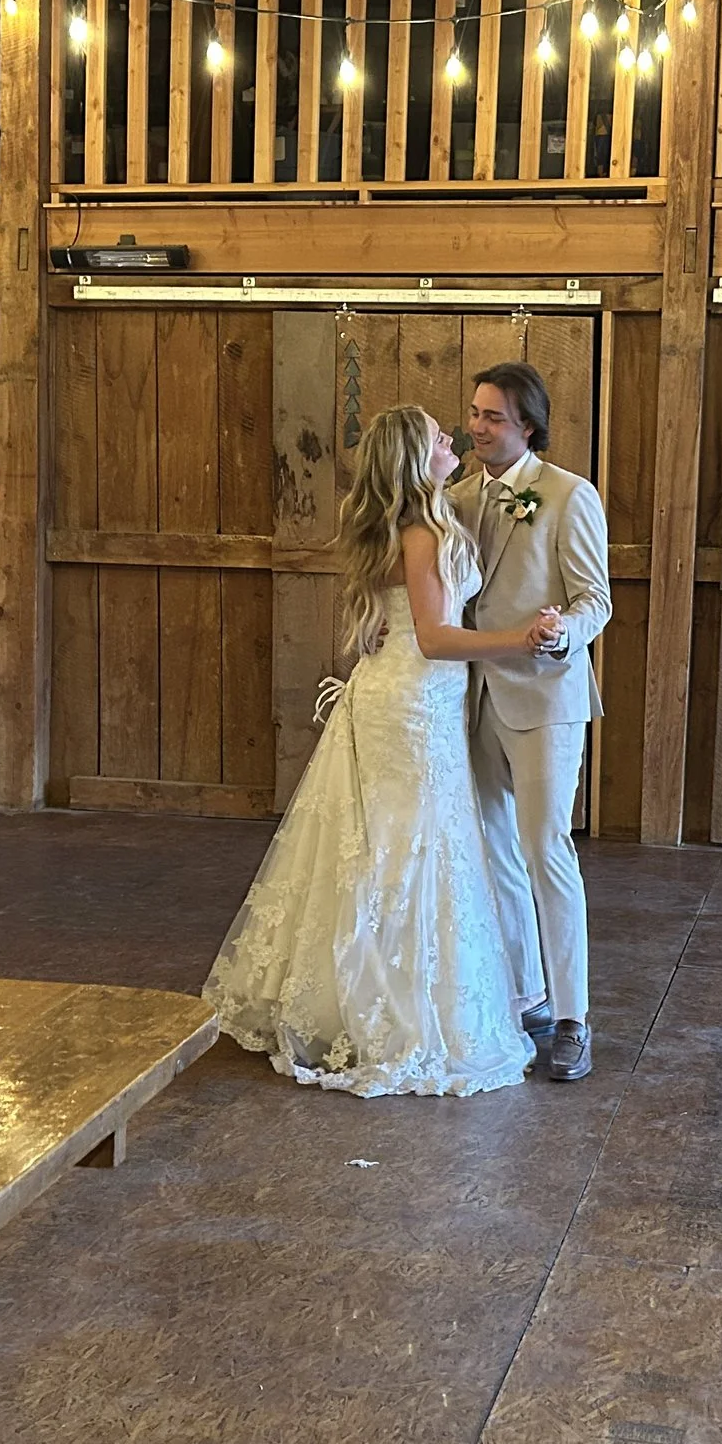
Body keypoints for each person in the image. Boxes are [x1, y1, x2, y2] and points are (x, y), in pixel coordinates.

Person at [202, 405, 558, 1097]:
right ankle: (391, 1012)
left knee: (391, 847)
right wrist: (517, 641)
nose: (451, 438)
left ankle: (357, 993)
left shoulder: (415, 521)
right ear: (415, 457)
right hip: (413, 702)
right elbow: (434, 637)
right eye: (436, 436)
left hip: (403, 694)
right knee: (405, 850)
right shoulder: (422, 529)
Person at [447, 362, 613, 1082]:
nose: (477, 427)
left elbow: (594, 599)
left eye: (493, 418)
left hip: (545, 696)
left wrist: (561, 631)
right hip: (473, 697)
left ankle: (575, 1019)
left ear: (528, 427)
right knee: (494, 852)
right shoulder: (454, 499)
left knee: (546, 847)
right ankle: (528, 995)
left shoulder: (569, 496)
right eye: (475, 413)